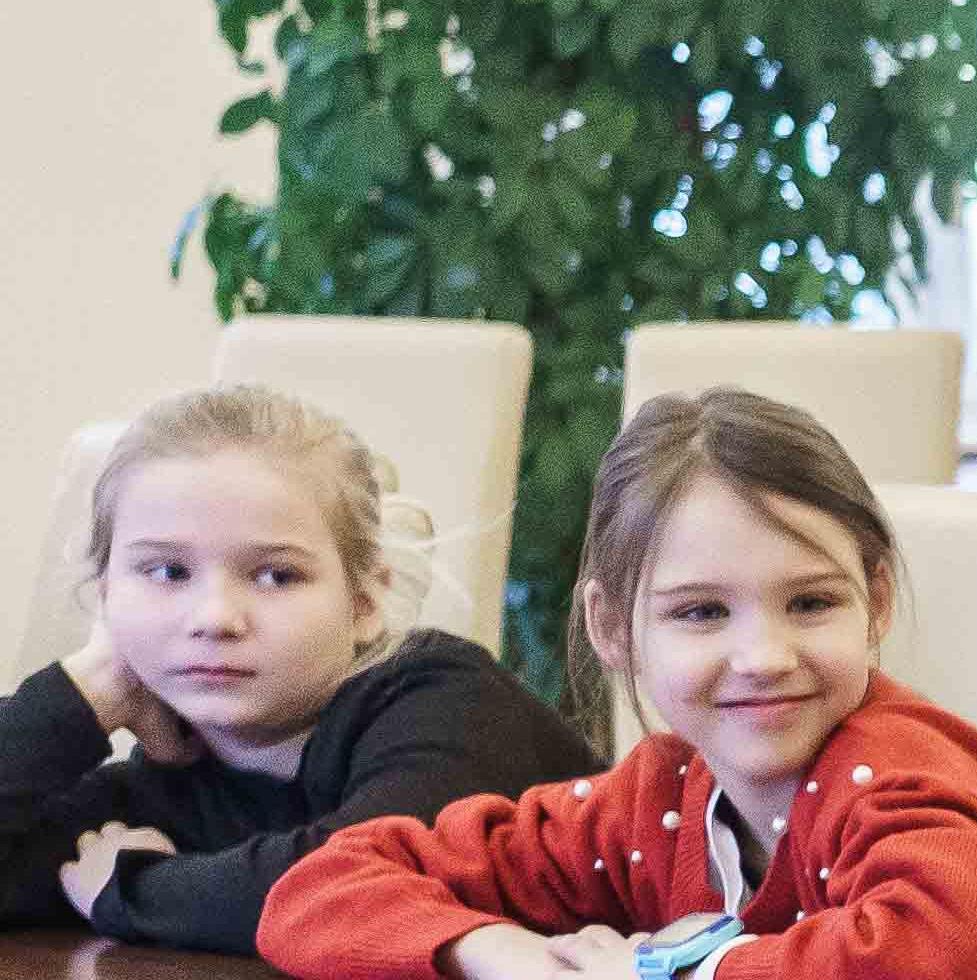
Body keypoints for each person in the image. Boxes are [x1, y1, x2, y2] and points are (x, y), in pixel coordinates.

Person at [258, 390, 977, 980]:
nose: (764, 655)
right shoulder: (653, 802)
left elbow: (932, 964)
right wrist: (491, 951)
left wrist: (668, 977)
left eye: (811, 603)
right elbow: (320, 891)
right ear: (613, 628)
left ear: (874, 602)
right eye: (701, 612)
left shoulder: (900, 772)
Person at [3, 382, 594, 947]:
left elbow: (367, 882)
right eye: (167, 571)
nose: (215, 618)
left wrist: (135, 890)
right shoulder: (168, 782)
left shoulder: (447, 700)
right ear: (107, 597)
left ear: (364, 603)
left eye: (275, 576)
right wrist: (89, 689)